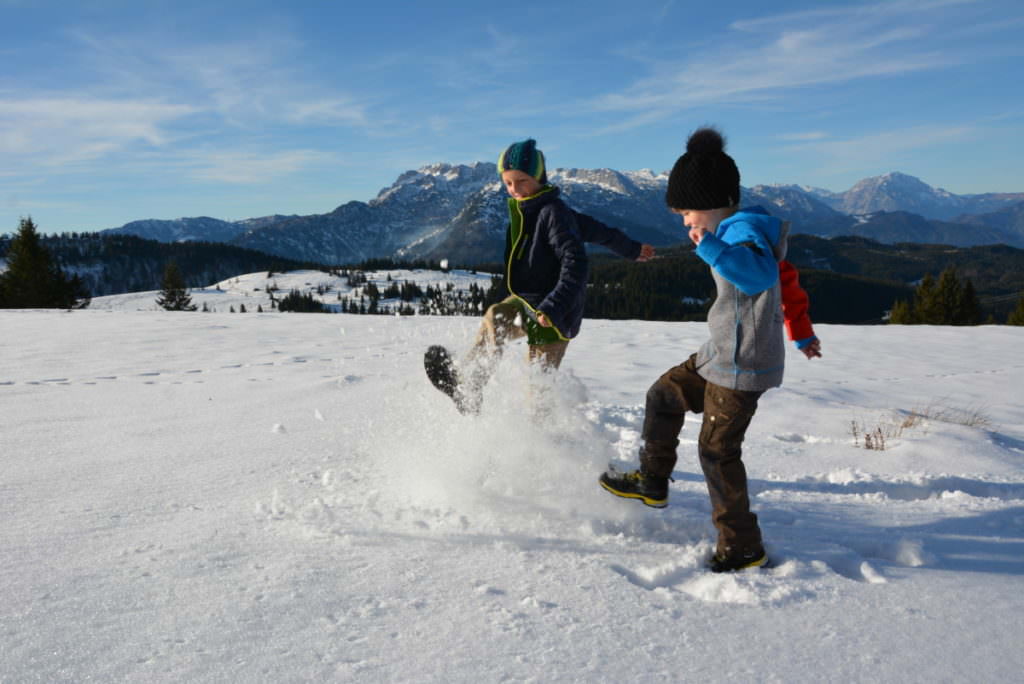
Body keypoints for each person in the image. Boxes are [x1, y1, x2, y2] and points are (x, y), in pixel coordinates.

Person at [598, 127, 821, 573]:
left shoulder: (743, 236)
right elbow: (787, 281)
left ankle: (742, 546)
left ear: (717, 203)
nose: (684, 221)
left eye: (687, 211)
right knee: (663, 394)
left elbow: (758, 276)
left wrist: (715, 249)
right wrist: (801, 332)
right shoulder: (741, 230)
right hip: (717, 354)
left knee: (717, 453)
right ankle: (652, 479)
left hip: (742, 367)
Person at [425, 138, 655, 413]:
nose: (515, 190)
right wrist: (632, 249)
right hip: (528, 299)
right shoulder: (533, 209)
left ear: (539, 177)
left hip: (555, 314)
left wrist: (555, 306)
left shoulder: (553, 213)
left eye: (522, 181)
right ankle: (471, 384)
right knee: (495, 317)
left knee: (538, 391)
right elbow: (597, 230)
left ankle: (543, 446)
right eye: (508, 183)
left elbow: (576, 263)